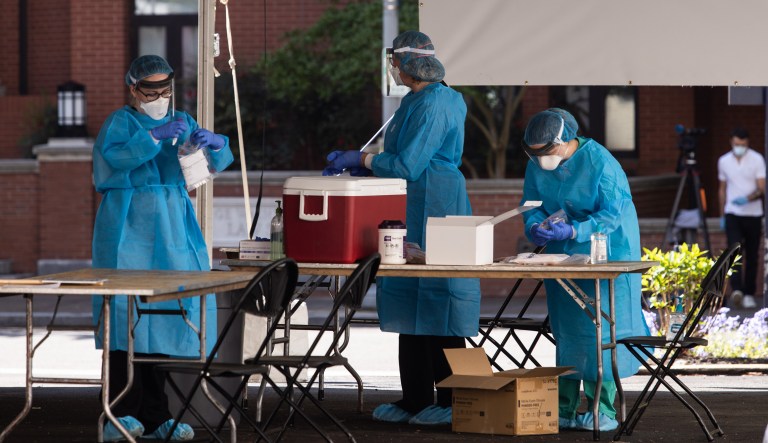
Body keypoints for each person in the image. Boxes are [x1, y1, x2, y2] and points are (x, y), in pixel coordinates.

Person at [322, 30, 480, 426]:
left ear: (407, 62)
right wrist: (364, 162)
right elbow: (399, 159)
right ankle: (414, 399)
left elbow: (409, 164)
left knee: (441, 300)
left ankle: (453, 400)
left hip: (438, 202)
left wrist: (362, 159)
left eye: (393, 61)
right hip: (407, 203)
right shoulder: (414, 100)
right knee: (409, 299)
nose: (391, 68)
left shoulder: (438, 102)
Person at [91, 55, 234, 441]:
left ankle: (157, 416)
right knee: (126, 322)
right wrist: (151, 137)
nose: (158, 97)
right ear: (133, 88)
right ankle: (118, 415)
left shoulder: (183, 121)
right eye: (150, 90)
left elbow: (211, 163)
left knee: (168, 317)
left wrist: (217, 144)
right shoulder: (120, 122)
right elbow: (113, 160)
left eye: (164, 89)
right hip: (128, 226)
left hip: (173, 227)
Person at [521, 108, 648, 432]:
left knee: (603, 331)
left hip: (610, 251)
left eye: (546, 153)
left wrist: (575, 231)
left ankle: (601, 408)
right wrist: (535, 226)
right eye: (534, 155)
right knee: (568, 331)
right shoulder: (537, 163)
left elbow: (612, 213)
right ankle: (563, 408)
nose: (540, 161)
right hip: (562, 257)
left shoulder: (601, 163)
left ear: (565, 142)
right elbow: (532, 205)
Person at [718, 127, 765, 309]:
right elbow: (722, 188)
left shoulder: (757, 159)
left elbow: (762, 188)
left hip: (753, 213)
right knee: (734, 253)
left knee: (752, 255)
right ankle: (736, 289)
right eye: (737, 144)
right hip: (732, 213)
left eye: (744, 145)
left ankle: (749, 293)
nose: (740, 147)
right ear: (731, 141)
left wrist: (747, 198)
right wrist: (722, 213)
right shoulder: (723, 161)